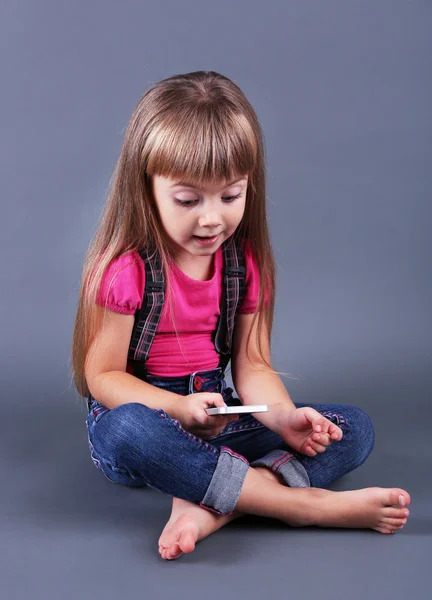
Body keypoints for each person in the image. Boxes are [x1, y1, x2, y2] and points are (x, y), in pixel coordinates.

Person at [71, 70, 410, 561]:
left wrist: (285, 418)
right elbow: (101, 377)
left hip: (218, 416)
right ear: (147, 189)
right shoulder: (127, 270)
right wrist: (176, 410)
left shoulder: (243, 265)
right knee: (126, 432)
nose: (212, 218)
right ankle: (300, 505)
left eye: (230, 196)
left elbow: (253, 368)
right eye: (188, 200)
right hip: (150, 417)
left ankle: (211, 506)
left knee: (352, 428)